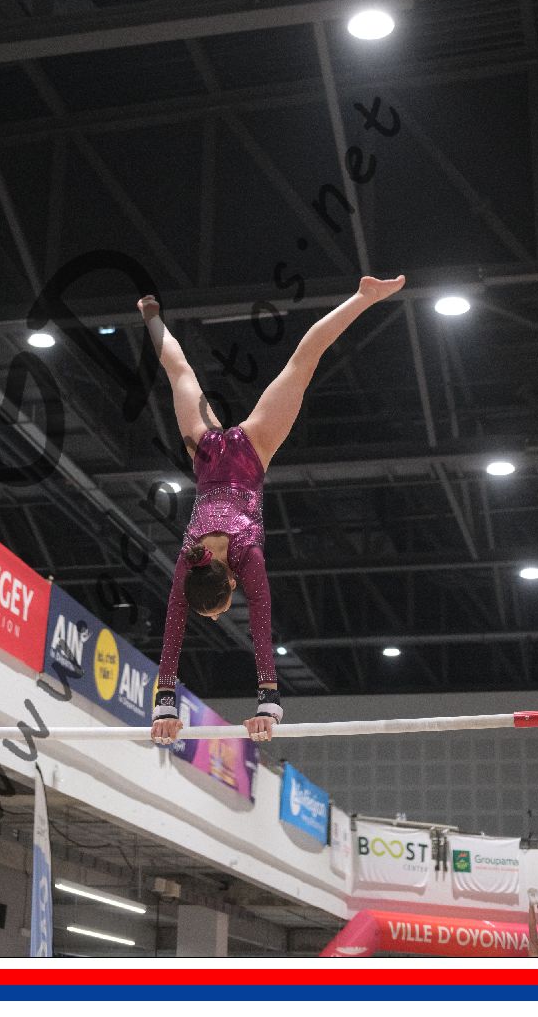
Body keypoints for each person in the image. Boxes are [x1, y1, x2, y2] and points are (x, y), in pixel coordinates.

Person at [139, 275, 406, 745]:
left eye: (218, 610)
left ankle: (363, 298)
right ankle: (152, 319)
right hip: (206, 452)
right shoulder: (189, 557)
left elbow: (260, 622)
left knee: (304, 362)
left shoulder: (248, 557)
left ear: (231, 583)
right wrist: (164, 703)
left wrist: (268, 703)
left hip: (252, 450)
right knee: (180, 372)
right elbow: (175, 627)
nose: (218, 617)